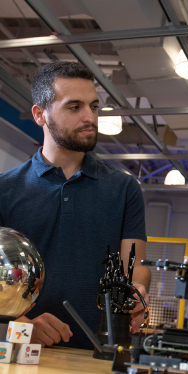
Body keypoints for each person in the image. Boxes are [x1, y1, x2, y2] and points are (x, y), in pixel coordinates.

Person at [0, 61, 151, 349]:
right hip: (23, 354)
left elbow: (135, 265)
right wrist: (20, 326)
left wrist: (138, 290)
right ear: (39, 114)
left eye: (93, 107)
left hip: (101, 353)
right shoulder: (5, 189)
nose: (89, 117)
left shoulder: (124, 188)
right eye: (74, 107)